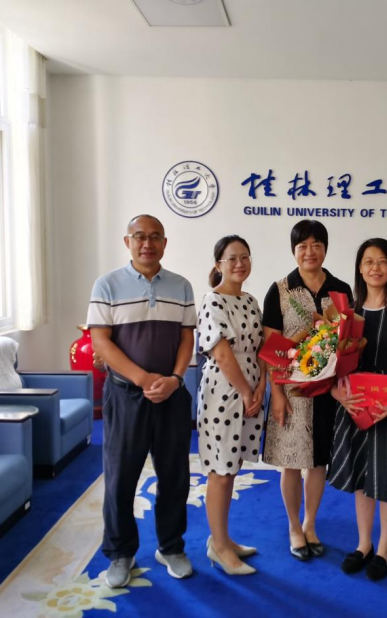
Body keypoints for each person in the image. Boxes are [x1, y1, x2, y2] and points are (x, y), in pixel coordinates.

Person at [87, 214, 196, 588]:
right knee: (120, 477)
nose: (147, 243)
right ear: (127, 242)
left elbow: (186, 338)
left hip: (171, 395)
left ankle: (171, 547)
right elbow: (100, 341)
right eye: (139, 237)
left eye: (154, 237)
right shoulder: (107, 285)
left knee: (175, 476)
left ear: (164, 243)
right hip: (125, 395)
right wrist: (143, 378)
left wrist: (175, 379)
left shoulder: (181, 286)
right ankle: (121, 552)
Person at [328, 238, 387, 581]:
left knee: (386, 476)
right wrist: (338, 395)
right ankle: (363, 544)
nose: (375, 268)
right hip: (355, 406)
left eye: (382, 261)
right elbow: (331, 364)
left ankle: (384, 548)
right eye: (368, 261)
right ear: (359, 268)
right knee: (361, 477)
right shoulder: (347, 313)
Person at [262, 219, 353, 560]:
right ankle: (293, 526)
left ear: (325, 249)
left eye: (316, 245)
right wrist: (277, 394)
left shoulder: (341, 289)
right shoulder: (280, 290)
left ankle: (310, 523)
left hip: (328, 392)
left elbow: (347, 339)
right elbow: (272, 347)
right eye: (302, 246)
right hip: (292, 392)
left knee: (318, 462)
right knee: (290, 461)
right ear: (293, 250)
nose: (309, 252)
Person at [196, 235, 265, 576]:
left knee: (232, 467)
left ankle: (223, 538)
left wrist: (261, 387)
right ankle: (219, 547)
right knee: (220, 471)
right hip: (224, 392)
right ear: (218, 264)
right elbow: (222, 355)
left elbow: (262, 349)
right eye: (232, 258)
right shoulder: (213, 301)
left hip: (250, 389)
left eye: (245, 257)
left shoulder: (250, 300)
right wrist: (247, 392)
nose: (240, 264)